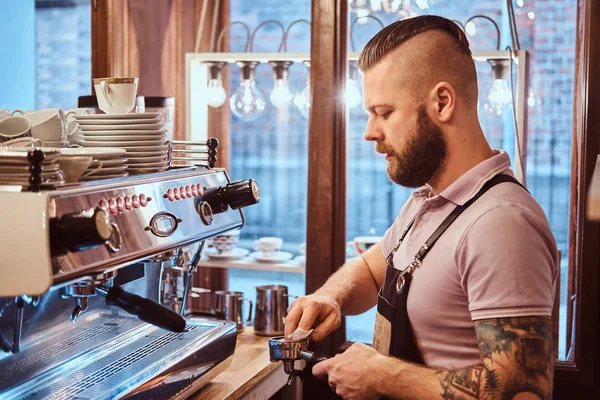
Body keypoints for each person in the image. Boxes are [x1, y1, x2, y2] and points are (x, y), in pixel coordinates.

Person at [284, 15, 558, 400]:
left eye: (384, 112)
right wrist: (331, 297)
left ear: (442, 103)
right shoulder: (430, 202)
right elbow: (371, 270)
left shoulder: (501, 222)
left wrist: (382, 376)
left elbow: (524, 392)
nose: (369, 131)